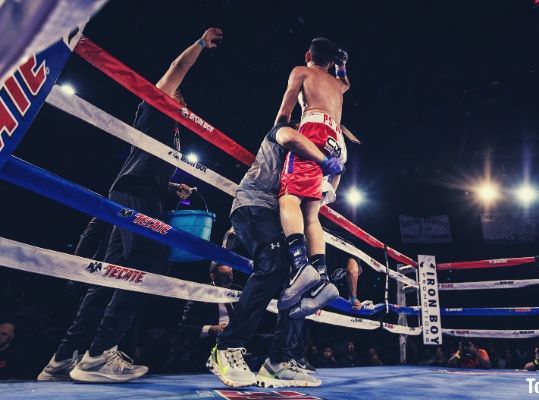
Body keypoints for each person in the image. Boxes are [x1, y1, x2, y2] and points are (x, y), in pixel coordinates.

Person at [37, 28, 222, 383]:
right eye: (183, 100)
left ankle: (64, 357)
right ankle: (99, 354)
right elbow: (175, 69)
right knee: (145, 269)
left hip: (133, 194)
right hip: (135, 197)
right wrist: (198, 43)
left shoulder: (170, 133)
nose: (187, 107)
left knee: (109, 277)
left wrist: (173, 187)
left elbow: (144, 165)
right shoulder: (158, 107)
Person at [206, 122, 343, 388]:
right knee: (274, 268)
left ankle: (279, 361)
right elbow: (290, 136)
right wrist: (326, 159)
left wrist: (335, 168)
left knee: (299, 284)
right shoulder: (286, 131)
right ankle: (226, 348)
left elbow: (327, 196)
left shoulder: (309, 166)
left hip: (279, 219)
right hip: (254, 206)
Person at [275, 37, 351, 314]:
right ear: (331, 62)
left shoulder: (301, 70)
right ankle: (322, 279)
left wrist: (277, 133)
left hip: (315, 130)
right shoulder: (337, 85)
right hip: (336, 140)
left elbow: (285, 111)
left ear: (308, 54)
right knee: (311, 211)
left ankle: (300, 265)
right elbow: (345, 83)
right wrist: (342, 66)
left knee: (289, 198)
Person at [168, 229, 241, 372]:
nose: (229, 278)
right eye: (224, 275)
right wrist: (211, 329)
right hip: (205, 346)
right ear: (213, 276)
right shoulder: (201, 293)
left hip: (234, 344)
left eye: (231, 274)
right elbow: (184, 327)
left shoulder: (238, 292)